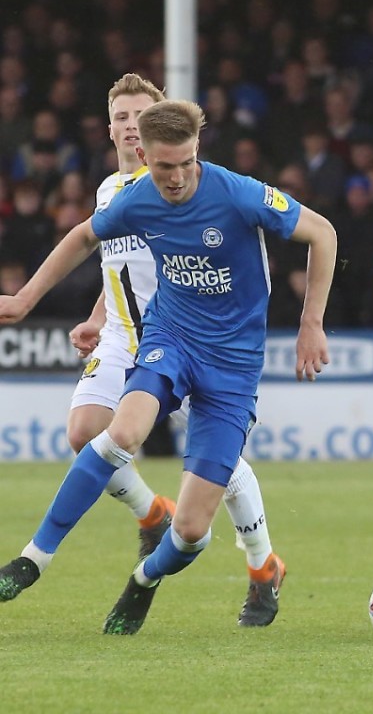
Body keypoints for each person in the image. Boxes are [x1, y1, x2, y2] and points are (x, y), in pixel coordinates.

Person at [0, 98, 336, 635]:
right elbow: (85, 237)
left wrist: (311, 323)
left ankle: (145, 579)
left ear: (197, 149)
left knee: (192, 530)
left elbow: (323, 233)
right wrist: (24, 299)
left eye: (185, 164)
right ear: (144, 156)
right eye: (164, 167)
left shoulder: (238, 193)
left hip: (233, 363)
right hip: (170, 338)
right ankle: (32, 559)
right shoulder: (136, 199)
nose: (176, 178)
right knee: (119, 433)